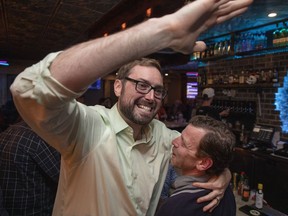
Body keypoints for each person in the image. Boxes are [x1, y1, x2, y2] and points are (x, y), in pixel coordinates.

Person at [10, 0, 253, 215]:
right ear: (117, 87)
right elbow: (30, 91)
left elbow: (203, 154)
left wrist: (222, 175)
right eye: (141, 85)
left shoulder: (162, 136)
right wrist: (160, 32)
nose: (150, 97)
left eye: (158, 90)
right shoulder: (89, 127)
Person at [156, 115, 236, 216]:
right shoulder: (226, 192)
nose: (173, 142)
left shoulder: (176, 207)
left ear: (203, 163)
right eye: (180, 136)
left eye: (184, 143)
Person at [0, 120, 61, 215]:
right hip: (35, 211)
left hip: (10, 210)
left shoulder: (9, 131)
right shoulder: (39, 137)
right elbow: (64, 178)